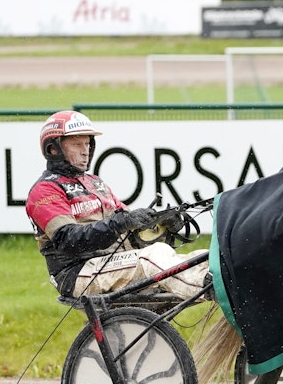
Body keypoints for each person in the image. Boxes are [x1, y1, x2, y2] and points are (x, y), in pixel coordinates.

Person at [26, 110, 210, 300]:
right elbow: (68, 240)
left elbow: (131, 237)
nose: (85, 150)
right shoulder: (45, 190)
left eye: (88, 143)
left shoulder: (95, 183)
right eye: (77, 144)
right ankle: (204, 289)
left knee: (204, 258)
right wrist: (120, 223)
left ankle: (217, 284)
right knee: (153, 256)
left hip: (111, 263)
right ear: (53, 149)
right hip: (77, 273)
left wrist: (162, 226)